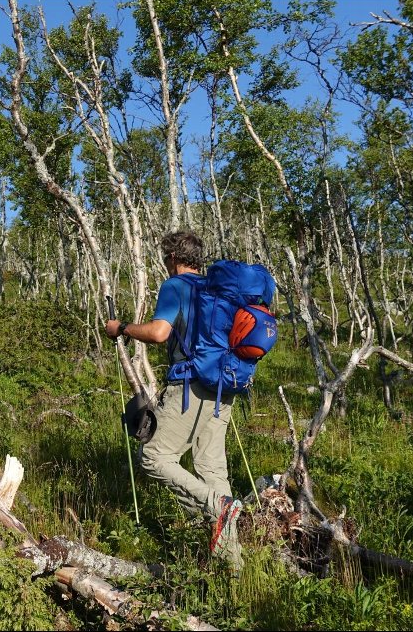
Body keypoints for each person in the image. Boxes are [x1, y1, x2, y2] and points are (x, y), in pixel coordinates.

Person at [104, 230, 244, 572]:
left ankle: (216, 506)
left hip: (190, 386)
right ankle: (231, 562)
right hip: (224, 387)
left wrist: (121, 328)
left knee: (153, 456)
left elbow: (159, 333)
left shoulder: (175, 287)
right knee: (212, 467)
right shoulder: (217, 288)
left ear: (172, 258)